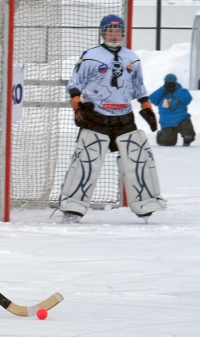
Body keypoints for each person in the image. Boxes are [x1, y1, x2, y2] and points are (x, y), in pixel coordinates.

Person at [58, 15, 165, 222]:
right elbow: (74, 84)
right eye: (110, 30)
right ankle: (73, 206)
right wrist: (77, 107)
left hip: (123, 117)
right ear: (103, 32)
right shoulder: (90, 56)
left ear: (122, 32)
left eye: (118, 30)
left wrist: (147, 108)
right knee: (86, 160)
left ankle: (145, 203)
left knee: (138, 158)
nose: (114, 34)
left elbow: (138, 87)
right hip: (96, 117)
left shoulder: (131, 58)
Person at [150, 73, 194, 146]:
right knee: (167, 142)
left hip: (182, 119)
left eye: (171, 82)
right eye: (167, 82)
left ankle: (187, 138)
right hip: (167, 121)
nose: (170, 84)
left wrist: (175, 91)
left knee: (189, 135)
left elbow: (187, 100)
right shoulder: (162, 93)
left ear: (175, 82)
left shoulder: (182, 91)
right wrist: (163, 88)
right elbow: (152, 99)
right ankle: (161, 136)